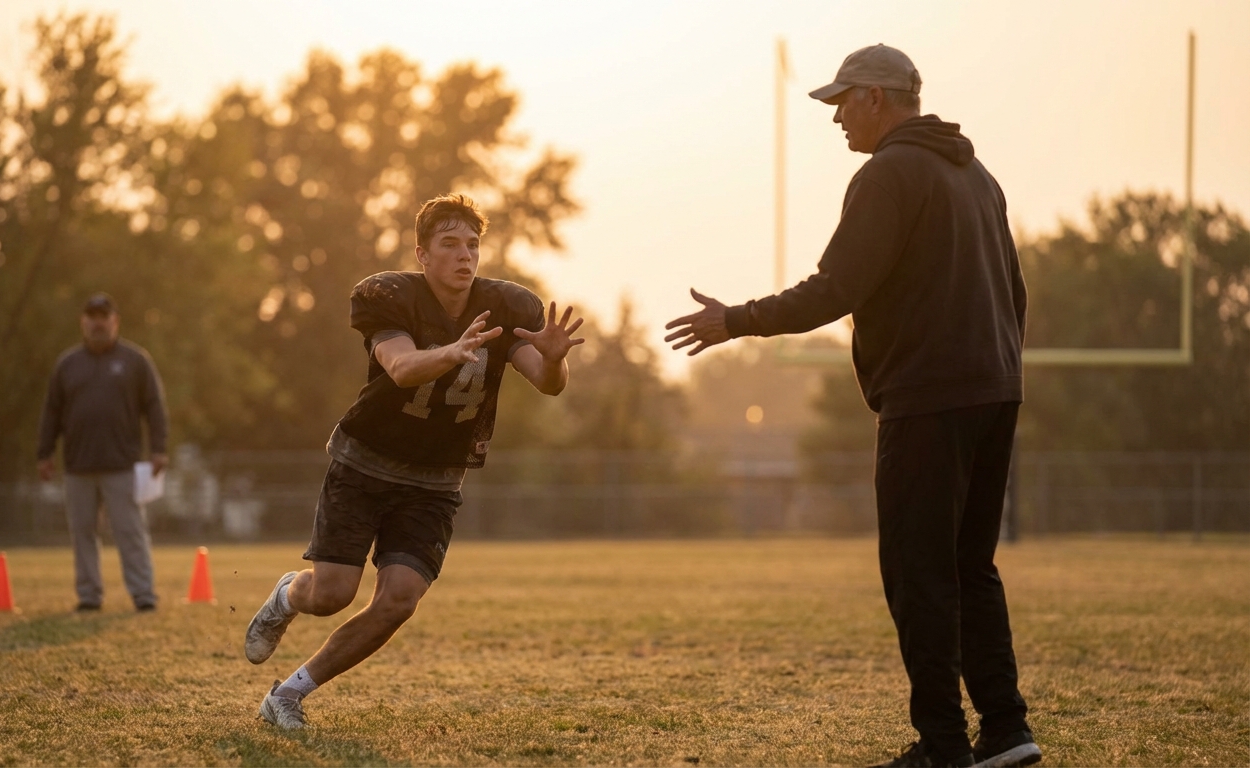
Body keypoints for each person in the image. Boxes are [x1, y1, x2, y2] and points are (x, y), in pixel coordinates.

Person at [665, 45, 1038, 768]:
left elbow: (835, 289)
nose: (835, 116)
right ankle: (1006, 730)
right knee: (970, 567)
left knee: (919, 571)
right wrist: (994, 371)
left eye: (843, 100)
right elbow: (1016, 295)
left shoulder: (889, 173)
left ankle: (943, 746)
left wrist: (734, 319)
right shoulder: (978, 175)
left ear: (878, 98)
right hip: (995, 391)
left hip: (929, 399)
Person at [244, 193, 585, 730]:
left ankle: (288, 694)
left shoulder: (506, 305)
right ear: (422, 253)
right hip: (365, 465)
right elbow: (401, 368)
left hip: (435, 481)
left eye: (472, 244)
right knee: (331, 594)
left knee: (399, 599)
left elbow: (547, 385)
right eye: (449, 244)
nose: (464, 255)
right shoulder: (390, 295)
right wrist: (448, 353)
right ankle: (287, 596)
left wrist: (556, 361)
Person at [37, 293, 168, 612]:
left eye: (103, 316)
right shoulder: (68, 364)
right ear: (83, 322)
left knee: (130, 531)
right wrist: (44, 453)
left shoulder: (135, 360)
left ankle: (143, 594)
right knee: (82, 533)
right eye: (92, 316)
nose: (98, 322)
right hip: (77, 465)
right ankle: (89, 595)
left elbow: (154, 406)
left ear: (114, 321)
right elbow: (52, 412)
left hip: (121, 464)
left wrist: (159, 449)